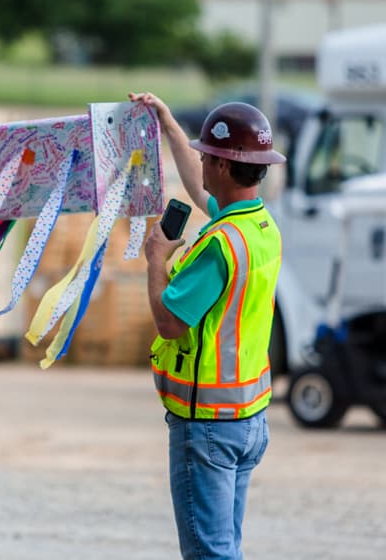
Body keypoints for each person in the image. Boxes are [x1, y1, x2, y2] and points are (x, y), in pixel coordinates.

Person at [129, 91, 285, 560]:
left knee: (210, 555)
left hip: (209, 428)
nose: (201, 165)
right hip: (247, 419)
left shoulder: (220, 245)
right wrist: (171, 126)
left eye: (205, 157)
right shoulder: (259, 227)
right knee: (224, 548)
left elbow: (170, 322)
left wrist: (156, 260)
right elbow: (201, 193)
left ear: (219, 165)